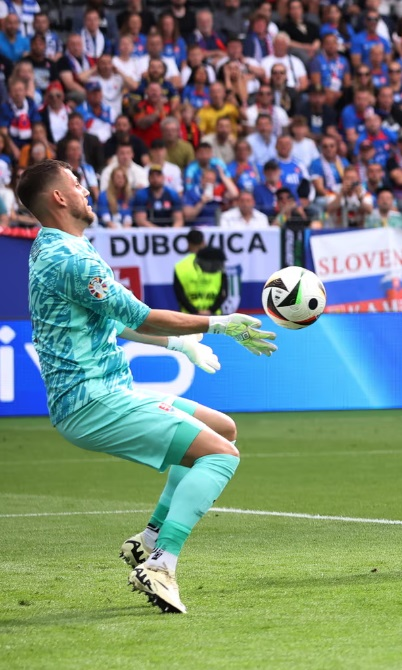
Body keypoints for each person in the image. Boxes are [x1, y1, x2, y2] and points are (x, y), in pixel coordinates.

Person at [21, 160, 277, 614]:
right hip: (93, 400)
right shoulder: (71, 259)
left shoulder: (50, 247)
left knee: (223, 428)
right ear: (58, 198)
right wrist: (220, 323)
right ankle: (161, 564)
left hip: (103, 390)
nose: (86, 190)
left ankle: (152, 537)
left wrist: (179, 344)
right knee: (221, 456)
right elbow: (139, 314)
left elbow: (113, 319)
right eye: (76, 184)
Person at [173, 245, 227, 315]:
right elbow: (180, 294)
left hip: (209, 316)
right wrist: (206, 311)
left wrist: (202, 312)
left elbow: (223, 293)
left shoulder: (219, 271)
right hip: (194, 316)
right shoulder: (181, 268)